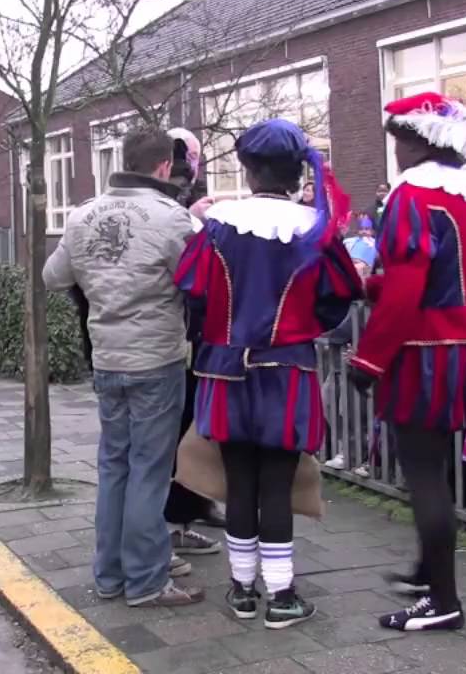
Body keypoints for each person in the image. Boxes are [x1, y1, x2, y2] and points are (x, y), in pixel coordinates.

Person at [176, 118, 359, 629]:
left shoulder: (218, 226)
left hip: (224, 370)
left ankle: (241, 590)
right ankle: (281, 597)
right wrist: (302, 327)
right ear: (298, 171)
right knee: (277, 484)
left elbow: (192, 288)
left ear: (247, 168)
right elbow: (340, 296)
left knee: (238, 482)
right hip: (289, 372)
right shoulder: (316, 228)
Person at [348, 91, 466, 632]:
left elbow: (410, 287)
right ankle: (426, 570)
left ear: (417, 142)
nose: (396, 153)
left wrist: (367, 361)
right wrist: (374, 286)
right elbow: (447, 280)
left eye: (398, 142)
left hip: (421, 355)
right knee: (437, 470)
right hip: (464, 350)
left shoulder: (413, 195)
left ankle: (443, 601)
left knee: (425, 476)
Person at [42, 126, 204, 608]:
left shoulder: (82, 215)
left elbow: (54, 277)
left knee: (113, 466)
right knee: (150, 470)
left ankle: (109, 575)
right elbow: (200, 283)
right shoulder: (174, 218)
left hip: (107, 358)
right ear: (161, 167)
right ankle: (147, 580)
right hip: (156, 358)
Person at [163, 126, 226, 550]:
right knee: (176, 432)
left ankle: (194, 504)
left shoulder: (180, 197)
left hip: (189, 340)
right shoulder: (169, 208)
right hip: (174, 341)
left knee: (196, 426)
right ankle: (174, 522)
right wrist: (198, 223)